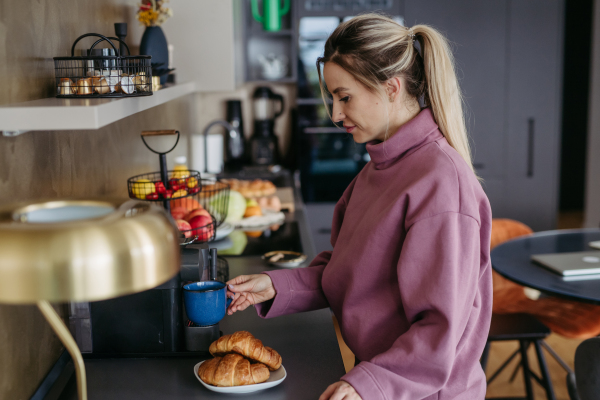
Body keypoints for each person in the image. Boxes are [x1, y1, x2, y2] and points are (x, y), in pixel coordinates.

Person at [226, 13, 492, 400]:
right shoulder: (379, 169)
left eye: (344, 97)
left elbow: (439, 332)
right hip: (383, 377)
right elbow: (350, 272)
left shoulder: (441, 184)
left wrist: (370, 384)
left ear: (391, 88)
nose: (335, 114)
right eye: (333, 99)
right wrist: (275, 285)